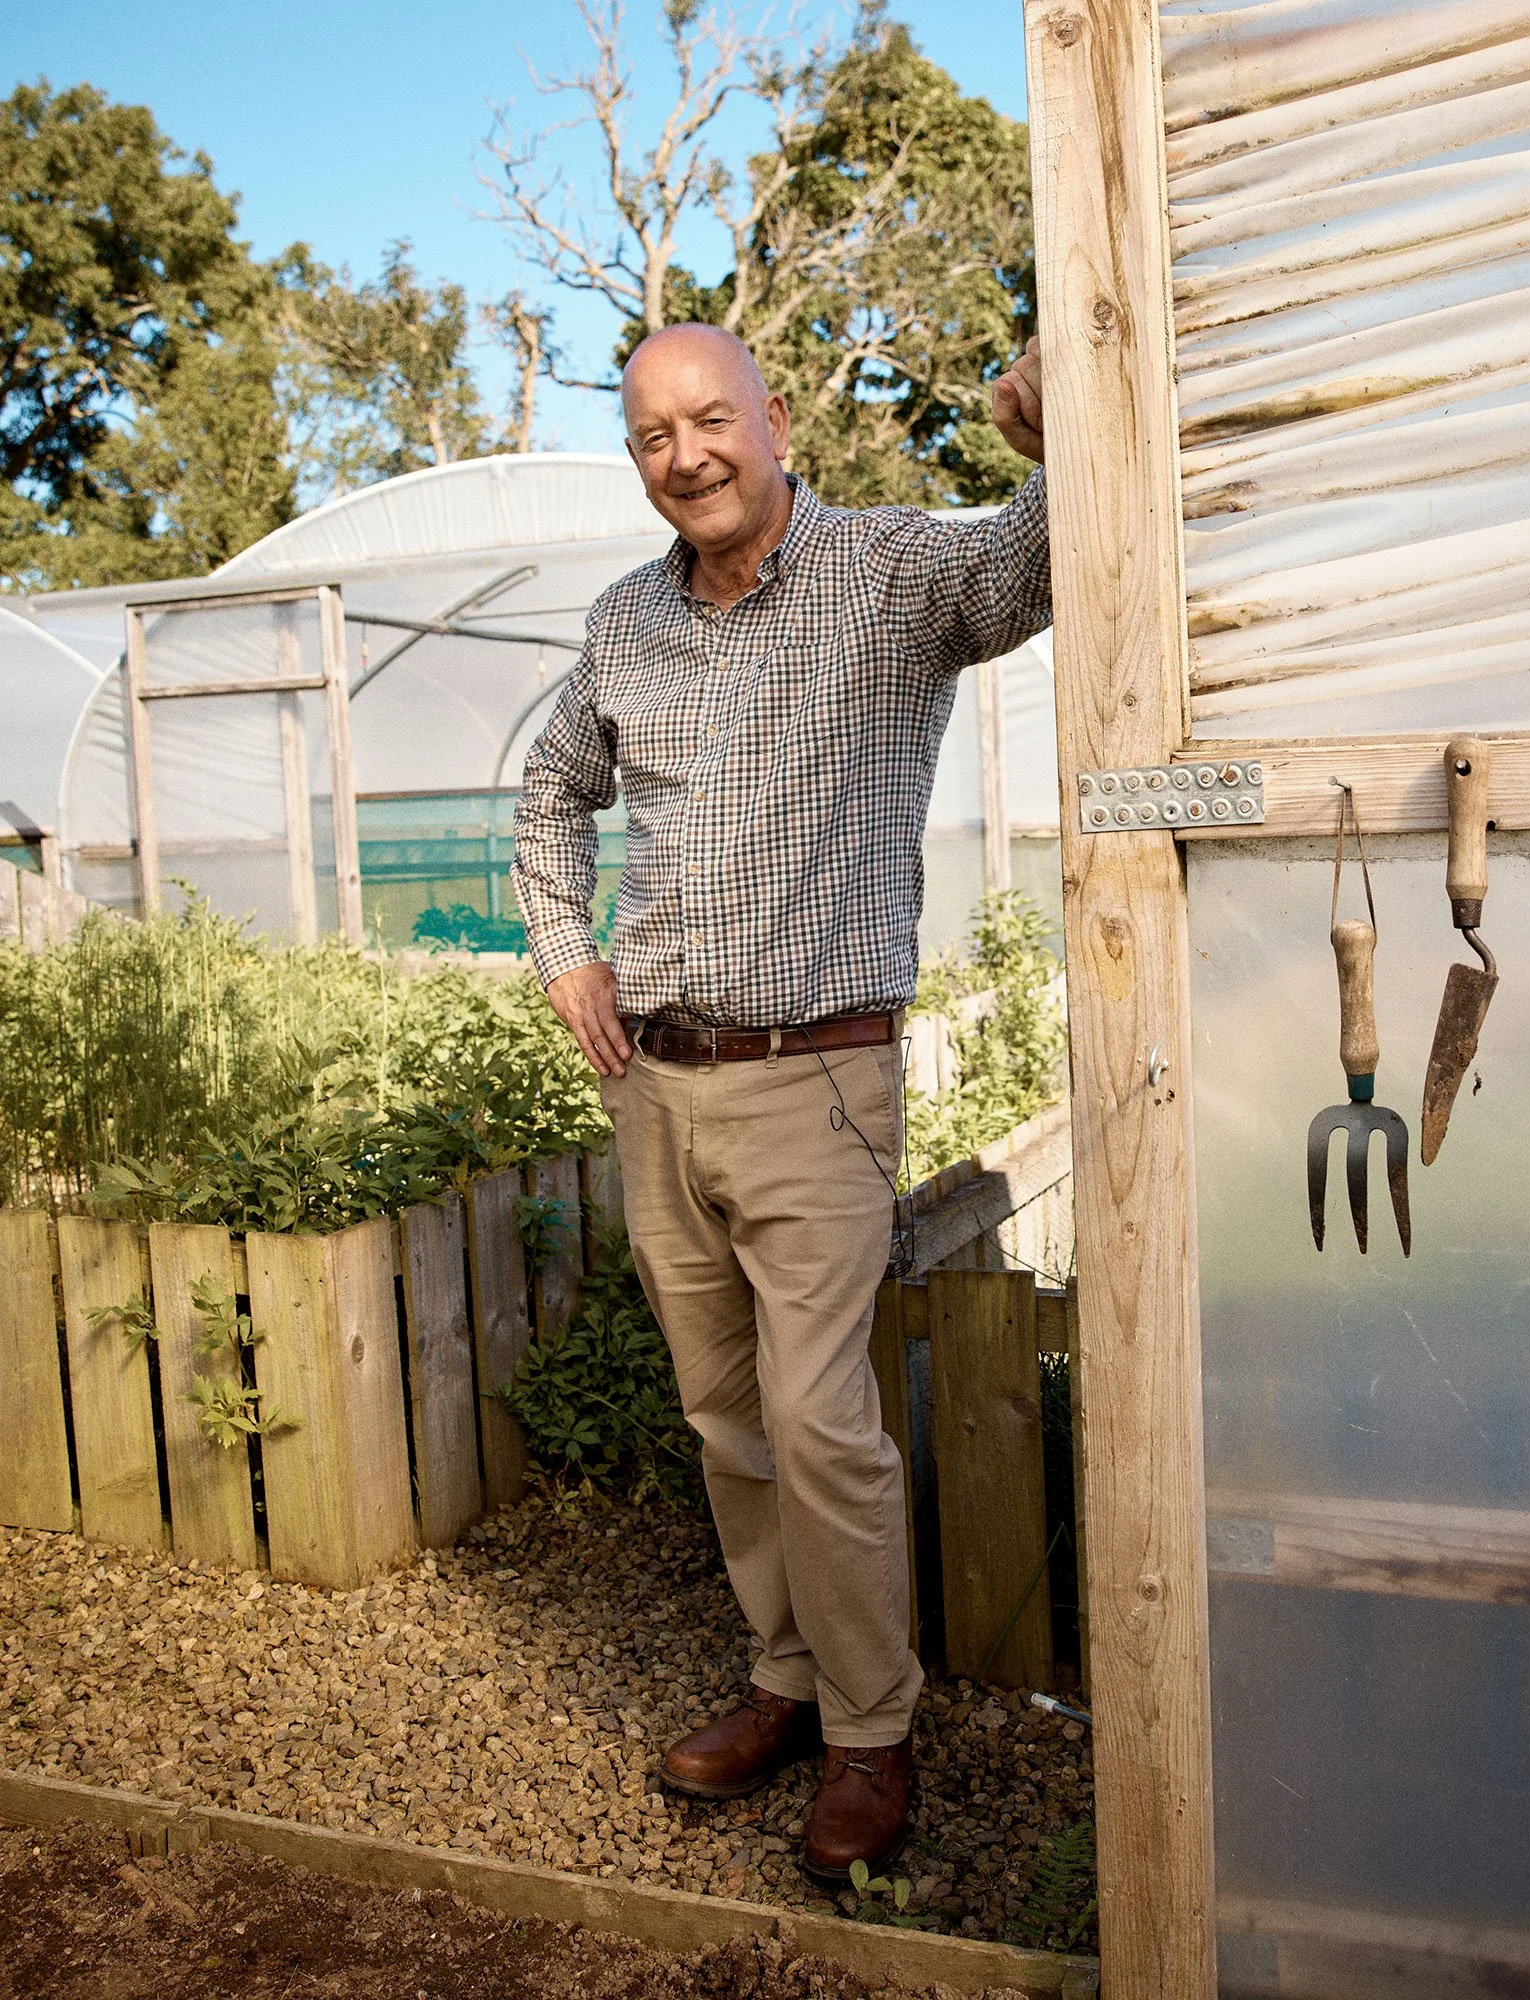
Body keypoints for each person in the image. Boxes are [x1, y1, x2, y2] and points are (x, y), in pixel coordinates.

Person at [511, 322, 1050, 1883]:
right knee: (727, 1418)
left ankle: (875, 1737)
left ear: (774, 417)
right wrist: (565, 955)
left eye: (709, 420)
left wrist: (1059, 440)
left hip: (819, 1078)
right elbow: (548, 790)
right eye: (653, 437)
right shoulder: (627, 626)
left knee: (821, 1424)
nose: (686, 456)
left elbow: (1035, 561)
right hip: (656, 1086)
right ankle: (787, 1679)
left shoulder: (890, 579)